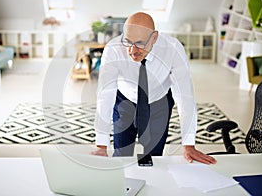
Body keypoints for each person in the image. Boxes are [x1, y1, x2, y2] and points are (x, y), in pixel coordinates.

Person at [91, 12, 216, 165]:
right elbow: (105, 95)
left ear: (154, 38)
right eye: (128, 41)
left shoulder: (173, 49)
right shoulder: (113, 49)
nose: (132, 50)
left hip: (159, 102)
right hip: (125, 100)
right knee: (122, 156)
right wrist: (101, 145)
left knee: (153, 159)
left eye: (140, 43)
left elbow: (185, 96)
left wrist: (188, 144)